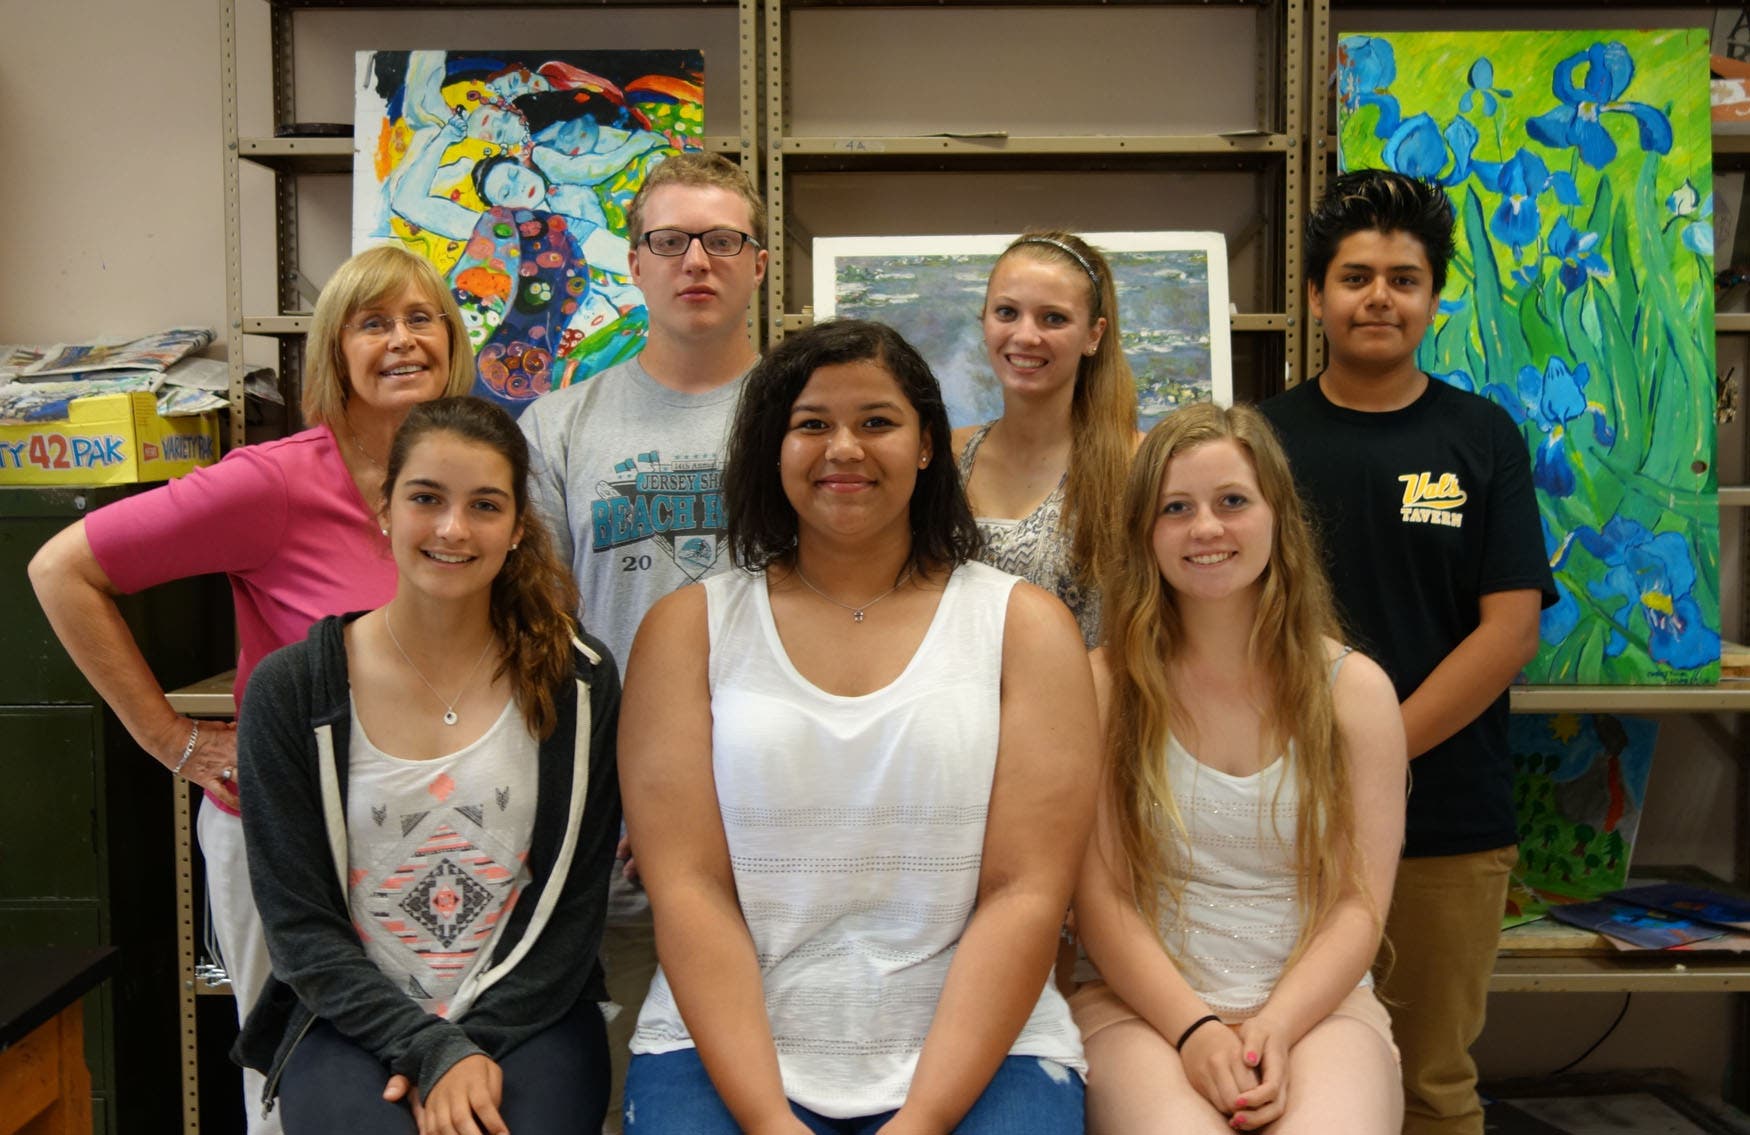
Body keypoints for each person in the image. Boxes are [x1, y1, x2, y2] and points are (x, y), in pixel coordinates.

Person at [27, 245, 475, 1135]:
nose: (403, 340)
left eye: (422, 318)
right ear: (335, 351)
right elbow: (61, 570)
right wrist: (174, 740)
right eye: (373, 323)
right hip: (289, 839)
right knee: (294, 1084)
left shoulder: (472, 474)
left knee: (436, 1078)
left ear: (454, 342)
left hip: (435, 833)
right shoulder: (273, 482)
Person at [618, 318, 1098, 1133]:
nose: (844, 448)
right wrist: (769, 1120)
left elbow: (1025, 892)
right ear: (773, 447)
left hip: (985, 1046)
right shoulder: (688, 628)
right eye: (812, 423)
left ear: (927, 444)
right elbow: (689, 889)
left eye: (877, 421)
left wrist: (923, 1119)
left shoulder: (1024, 626)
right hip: (725, 1042)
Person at [1258, 169, 1556, 1135]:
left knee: (1432, 1086)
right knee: (1278, 1071)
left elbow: (1509, 630)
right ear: (1316, 296)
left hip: (1447, 820)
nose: (1379, 297)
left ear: (1434, 298)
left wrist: (1371, 751)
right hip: (1280, 817)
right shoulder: (1261, 441)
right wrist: (1319, 764)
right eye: (1355, 278)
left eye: (1404, 278)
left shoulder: (1482, 436)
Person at [234, 397, 621, 1134]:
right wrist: (431, 1047)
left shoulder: (577, 683)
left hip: (530, 1011)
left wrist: (469, 1048)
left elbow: (572, 911)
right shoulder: (293, 691)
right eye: (426, 498)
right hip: (353, 1017)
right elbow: (300, 928)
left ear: (518, 526)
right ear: (384, 508)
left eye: (485, 505)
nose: (452, 529)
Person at [1071, 403, 1407, 1133]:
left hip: (1316, 1008)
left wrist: (1275, 1027)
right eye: (1176, 508)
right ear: (1144, 531)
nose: (1206, 528)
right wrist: (1195, 1030)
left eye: (1232, 501)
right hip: (1142, 1009)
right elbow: (1102, 901)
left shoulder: (1355, 692)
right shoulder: (1101, 688)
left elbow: (1358, 905)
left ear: (1278, 516)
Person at [517, 149, 767, 1123]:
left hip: (774, 832)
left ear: (757, 263)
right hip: (615, 837)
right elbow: (541, 638)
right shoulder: (558, 425)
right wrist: (609, 800)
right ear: (634, 262)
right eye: (669, 240)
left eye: (722, 239)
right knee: (634, 1096)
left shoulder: (808, 419)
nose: (695, 260)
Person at [953, 230, 1139, 647]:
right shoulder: (946, 457)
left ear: (1094, 334)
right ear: (984, 320)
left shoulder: (1137, 463)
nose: (1025, 336)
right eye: (1007, 312)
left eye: (1053, 318)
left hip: (1088, 688)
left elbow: (1155, 628)